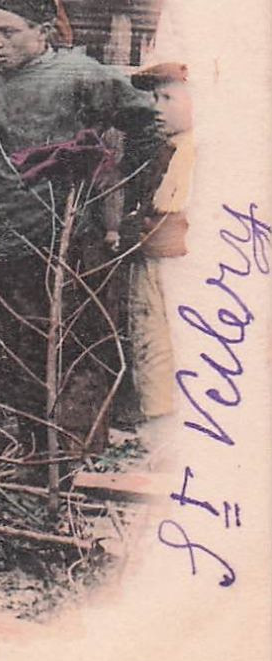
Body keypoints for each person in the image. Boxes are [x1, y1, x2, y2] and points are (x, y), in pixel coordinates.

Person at [0, 0, 161, 460]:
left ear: (43, 32)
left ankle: (75, 456)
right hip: (9, 240)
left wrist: (127, 185)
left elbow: (145, 120)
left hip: (74, 239)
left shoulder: (78, 75)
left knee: (79, 345)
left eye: (8, 32)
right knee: (19, 347)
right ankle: (32, 453)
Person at [120, 61, 194, 423]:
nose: (156, 107)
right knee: (149, 341)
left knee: (174, 345)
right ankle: (158, 425)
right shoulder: (168, 149)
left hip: (181, 269)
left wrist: (148, 231)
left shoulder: (206, 153)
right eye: (155, 97)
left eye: (167, 98)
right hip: (154, 263)